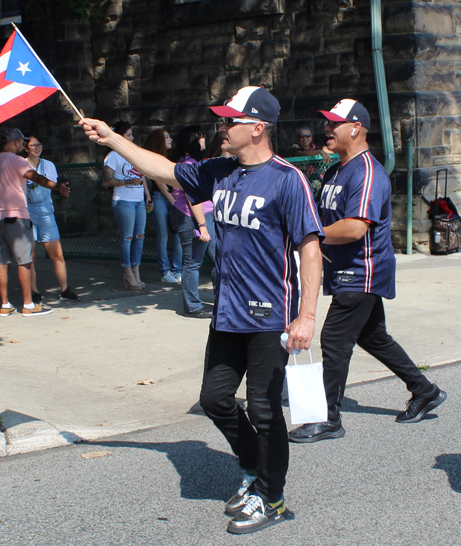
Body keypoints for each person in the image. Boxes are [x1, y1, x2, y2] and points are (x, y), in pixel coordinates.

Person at [79, 85, 324, 535]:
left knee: (265, 410)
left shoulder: (288, 179)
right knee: (214, 399)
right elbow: (166, 169)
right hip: (227, 310)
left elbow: (310, 248)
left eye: (231, 121)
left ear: (257, 128)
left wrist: (307, 315)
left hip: (271, 315)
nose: (222, 127)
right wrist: (111, 137)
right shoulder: (218, 170)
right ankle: (253, 471)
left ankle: (273, 499)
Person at [288, 99, 447, 444]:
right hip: (345, 269)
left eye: (334, 124)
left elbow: (356, 228)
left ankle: (327, 418)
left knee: (333, 338)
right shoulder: (335, 170)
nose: (326, 130)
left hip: (363, 271)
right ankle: (424, 390)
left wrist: (308, 236)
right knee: (373, 336)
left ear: (356, 127)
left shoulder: (368, 173)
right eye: (326, 124)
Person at [0, 128, 70, 317]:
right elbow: (35, 177)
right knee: (25, 261)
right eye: (23, 143)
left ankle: (5, 305)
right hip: (18, 218)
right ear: (15, 142)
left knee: (3, 262)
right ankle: (28, 305)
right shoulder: (17, 161)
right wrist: (57, 186)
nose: (23, 146)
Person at [24, 136, 80, 303]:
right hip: (28, 211)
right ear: (25, 148)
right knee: (30, 256)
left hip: (46, 210)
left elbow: (51, 185)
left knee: (57, 254)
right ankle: (33, 291)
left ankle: (64, 289)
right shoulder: (21, 164)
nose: (36, 147)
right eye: (32, 145)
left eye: (39, 144)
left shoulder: (48, 165)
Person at [169, 125, 214, 319]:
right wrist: (202, 224)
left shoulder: (192, 162)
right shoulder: (187, 164)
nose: (204, 140)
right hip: (192, 217)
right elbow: (191, 196)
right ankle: (193, 307)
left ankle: (224, 300)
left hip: (203, 215)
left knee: (219, 257)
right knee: (193, 262)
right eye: (201, 137)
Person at [104, 121, 152, 290]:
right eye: (128, 135)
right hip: (124, 201)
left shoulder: (134, 153)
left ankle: (136, 271)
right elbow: (108, 180)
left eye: (132, 134)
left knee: (140, 236)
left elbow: (143, 176)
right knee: (127, 237)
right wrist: (127, 181)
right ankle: (127, 272)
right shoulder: (113, 156)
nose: (132, 138)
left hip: (139, 200)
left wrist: (147, 196)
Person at [144, 129, 182, 284]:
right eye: (166, 137)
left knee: (177, 235)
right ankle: (165, 271)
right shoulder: (153, 159)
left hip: (172, 196)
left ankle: (177, 270)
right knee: (163, 236)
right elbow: (160, 184)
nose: (170, 140)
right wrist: (175, 202)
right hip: (160, 197)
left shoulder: (171, 157)